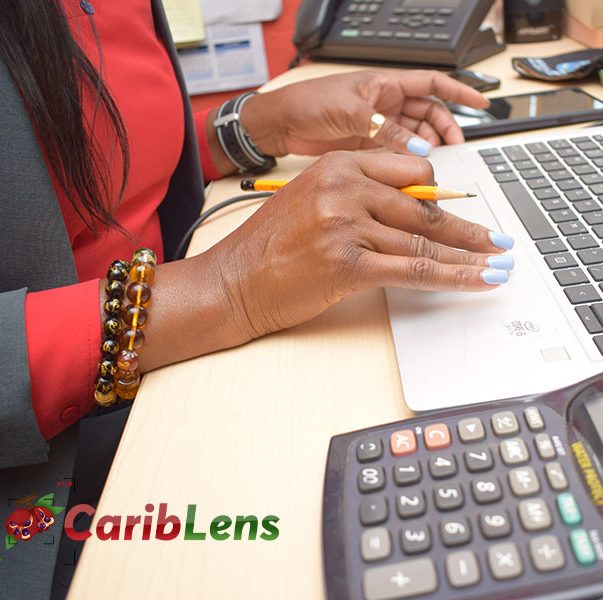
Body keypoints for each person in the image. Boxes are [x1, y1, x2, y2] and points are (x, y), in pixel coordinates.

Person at [0, 0, 514, 597]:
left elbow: (111, 167)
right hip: (48, 486)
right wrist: (224, 287)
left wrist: (255, 125)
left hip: (161, 381)